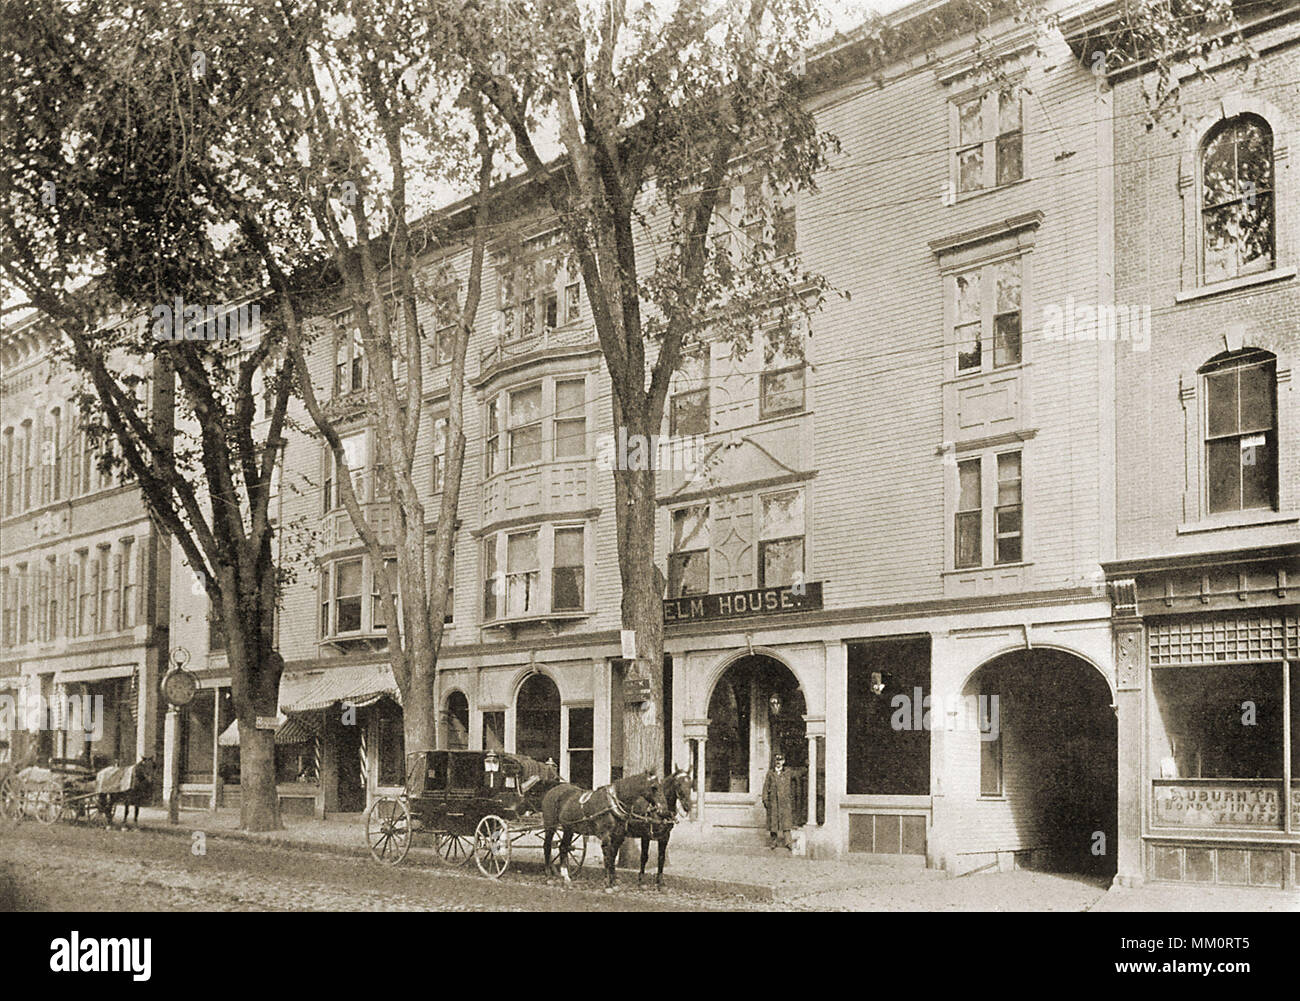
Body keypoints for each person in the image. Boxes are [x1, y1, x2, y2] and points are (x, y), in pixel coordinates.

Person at [762, 753, 794, 850]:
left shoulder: (787, 772)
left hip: (784, 802)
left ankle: (788, 842)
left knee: (786, 823)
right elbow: (765, 787)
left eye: (780, 761)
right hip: (774, 801)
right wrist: (765, 799)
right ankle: (773, 842)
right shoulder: (770, 773)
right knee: (773, 822)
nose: (778, 763)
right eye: (776, 761)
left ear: (783, 762)